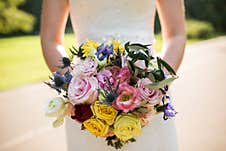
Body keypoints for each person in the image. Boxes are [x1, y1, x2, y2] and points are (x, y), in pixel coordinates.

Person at [41, 0, 186, 150]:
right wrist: (79, 89)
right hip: (84, 103)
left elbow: (176, 35)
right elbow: (50, 40)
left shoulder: (150, 91)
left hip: (148, 97)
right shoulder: (82, 95)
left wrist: (154, 86)